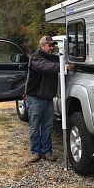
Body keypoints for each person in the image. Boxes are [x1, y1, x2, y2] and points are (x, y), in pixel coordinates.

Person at [25, 35, 73, 163]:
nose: (51, 48)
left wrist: (70, 62)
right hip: (35, 98)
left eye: (53, 45)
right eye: (49, 45)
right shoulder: (35, 58)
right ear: (42, 46)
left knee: (47, 126)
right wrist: (63, 66)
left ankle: (47, 152)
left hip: (48, 98)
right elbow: (46, 67)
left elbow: (60, 60)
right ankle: (35, 152)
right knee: (34, 126)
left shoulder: (53, 58)